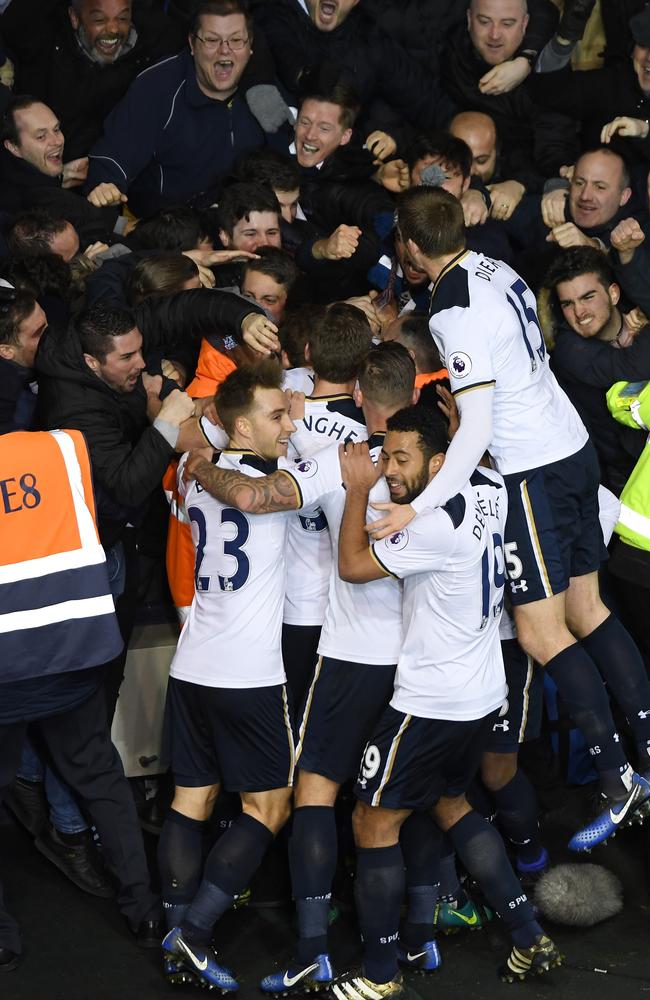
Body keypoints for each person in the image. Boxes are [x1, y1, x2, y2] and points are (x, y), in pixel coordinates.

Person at [371, 185, 650, 850]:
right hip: (573, 448)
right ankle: (643, 748)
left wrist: (420, 504)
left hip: (532, 471)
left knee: (541, 632)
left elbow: (478, 429)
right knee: (588, 610)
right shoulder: (497, 266)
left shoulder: (452, 313)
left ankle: (619, 782)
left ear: (410, 247)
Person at [158, 360, 345, 990]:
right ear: (242, 422)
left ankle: (173, 935)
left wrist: (199, 458)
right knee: (269, 805)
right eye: (275, 415)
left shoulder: (194, 479)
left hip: (192, 663)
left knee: (192, 798)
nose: (287, 424)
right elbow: (262, 493)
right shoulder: (276, 480)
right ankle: (195, 933)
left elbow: (205, 479)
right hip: (249, 672)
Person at [0, 428, 164, 972]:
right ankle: (144, 911)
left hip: (5, 670)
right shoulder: (61, 447)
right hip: (71, 649)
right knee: (100, 778)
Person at [85, 0, 285, 218]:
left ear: (250, 45)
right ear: (192, 43)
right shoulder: (158, 87)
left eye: (236, 40)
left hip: (240, 222)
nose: (224, 51)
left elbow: (288, 161)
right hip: (169, 226)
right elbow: (113, 157)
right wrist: (104, 188)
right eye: (211, 40)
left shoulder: (263, 90)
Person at [1, 0, 186, 157]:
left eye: (122, 18)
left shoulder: (151, 47)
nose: (113, 29)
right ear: (74, 18)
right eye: (99, 19)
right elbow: (13, 26)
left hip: (108, 177)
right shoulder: (44, 39)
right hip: (37, 170)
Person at [442, 0, 579, 179]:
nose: (494, 34)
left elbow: (555, 149)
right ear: (469, 19)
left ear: (526, 24)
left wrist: (520, 184)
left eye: (507, 24)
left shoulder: (548, 70)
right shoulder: (451, 54)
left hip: (529, 183)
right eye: (484, 22)